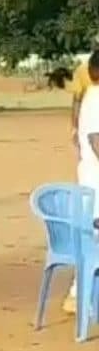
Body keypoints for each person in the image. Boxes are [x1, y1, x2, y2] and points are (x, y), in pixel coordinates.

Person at [72, 49, 99, 314]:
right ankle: (79, 294)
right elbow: (96, 141)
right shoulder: (96, 98)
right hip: (96, 182)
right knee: (94, 240)